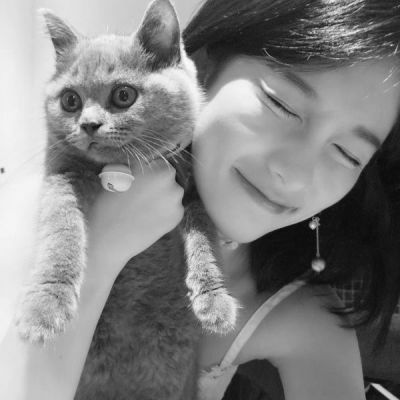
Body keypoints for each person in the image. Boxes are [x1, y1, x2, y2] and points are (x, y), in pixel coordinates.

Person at [1, 0, 400, 399]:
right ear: (203, 67)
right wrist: (96, 258)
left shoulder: (307, 321)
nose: (292, 173)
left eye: (348, 154)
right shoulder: (35, 208)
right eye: (281, 104)